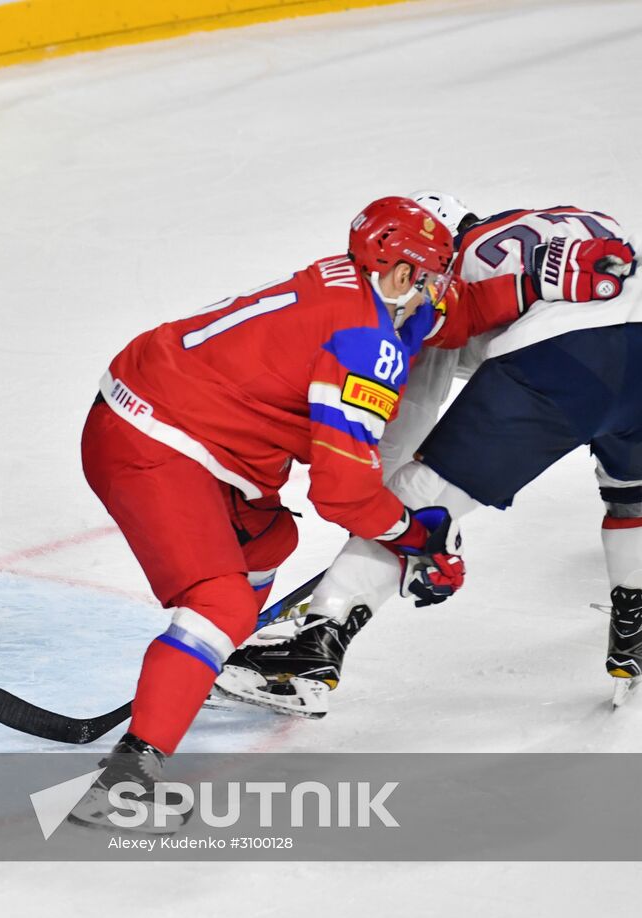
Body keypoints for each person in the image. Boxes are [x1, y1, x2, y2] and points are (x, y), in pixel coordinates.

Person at [67, 197, 501, 830]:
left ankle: (203, 664)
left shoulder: (348, 278)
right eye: (431, 278)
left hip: (176, 416)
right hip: (157, 441)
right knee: (223, 603)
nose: (436, 294)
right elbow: (344, 494)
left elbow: (429, 319)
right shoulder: (364, 341)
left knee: (269, 541)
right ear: (403, 275)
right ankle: (126, 778)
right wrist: (415, 533)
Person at [217, 198, 641, 712]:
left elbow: (410, 416)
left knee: (417, 498)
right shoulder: (569, 218)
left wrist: (398, 523)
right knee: (631, 494)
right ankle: (635, 626)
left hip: (556, 361)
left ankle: (312, 648)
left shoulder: (439, 277)